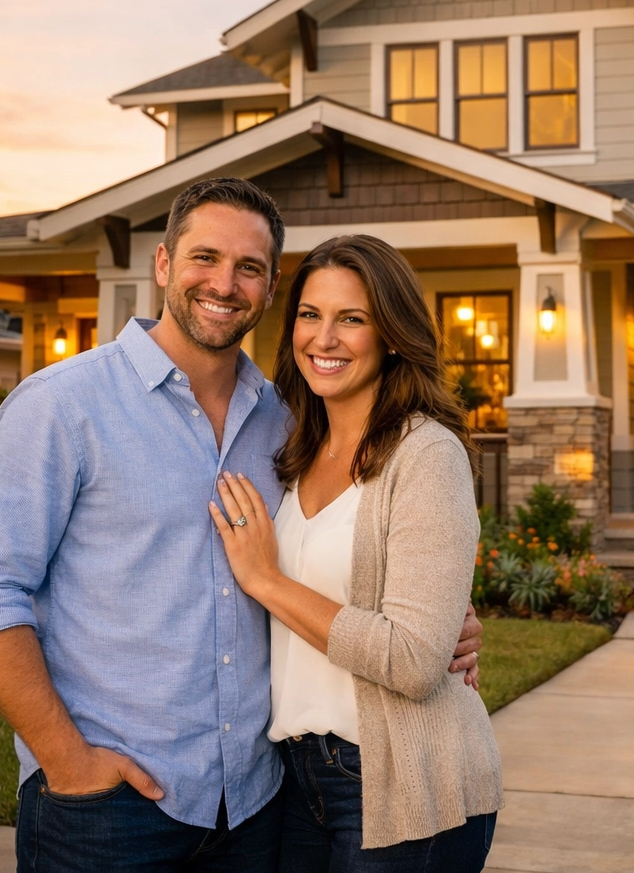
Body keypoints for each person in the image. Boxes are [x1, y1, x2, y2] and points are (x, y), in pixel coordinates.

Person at [0, 179, 481, 873]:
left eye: (248, 268)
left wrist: (442, 627)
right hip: (110, 807)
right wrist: (67, 763)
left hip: (256, 805)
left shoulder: (287, 423)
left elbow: (352, 553)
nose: (224, 283)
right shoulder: (61, 406)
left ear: (268, 286)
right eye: (204, 258)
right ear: (163, 264)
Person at [210, 234, 502, 873]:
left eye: (352, 319)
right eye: (311, 315)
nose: (324, 338)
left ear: (393, 334)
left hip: (398, 774)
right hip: (294, 775)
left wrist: (266, 580)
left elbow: (413, 662)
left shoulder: (424, 454)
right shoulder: (293, 446)